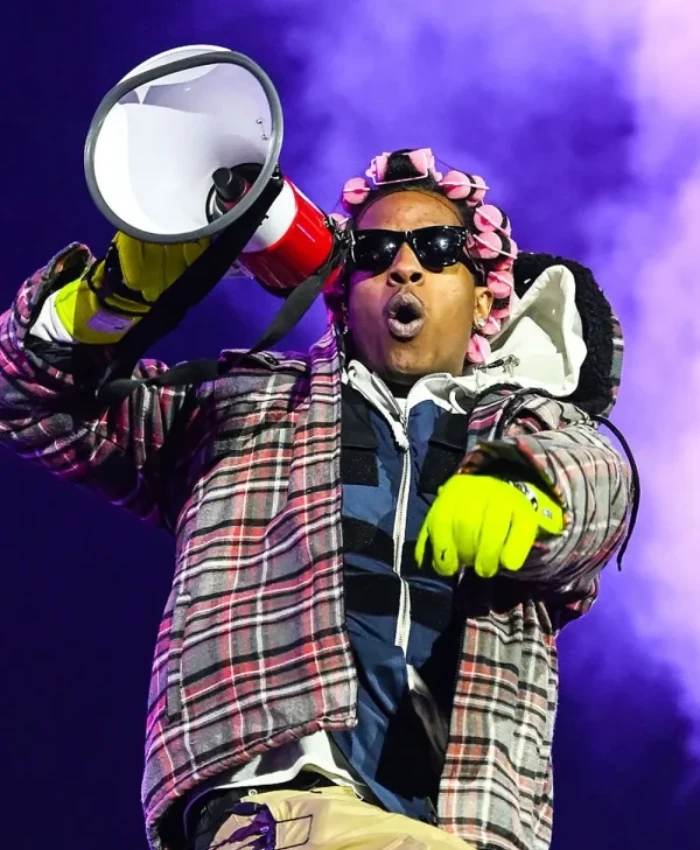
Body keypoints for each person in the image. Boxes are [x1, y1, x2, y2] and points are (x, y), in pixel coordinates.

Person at [0, 148, 634, 850]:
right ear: (341, 294)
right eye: (375, 251)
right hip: (281, 803)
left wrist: (524, 482)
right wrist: (103, 303)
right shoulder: (242, 408)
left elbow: (598, 482)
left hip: (467, 823)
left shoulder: (530, 427)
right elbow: (30, 404)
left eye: (437, 247)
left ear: (485, 297)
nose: (404, 265)